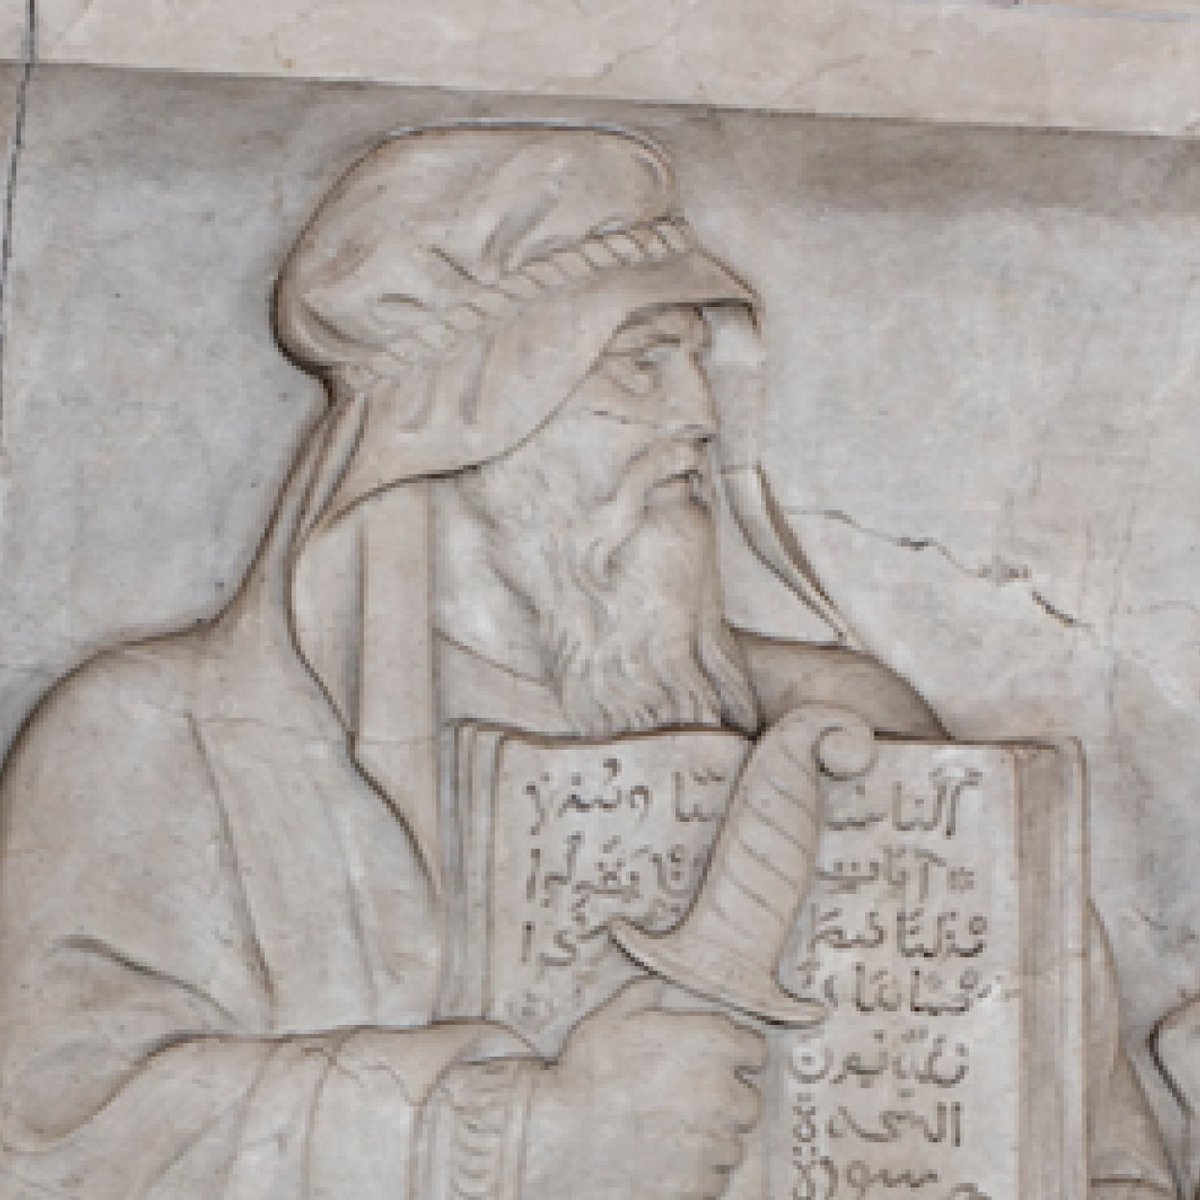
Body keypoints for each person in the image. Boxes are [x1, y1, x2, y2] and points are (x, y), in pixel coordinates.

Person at [0, 124, 1175, 1199]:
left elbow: (1093, 1146)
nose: (700, 417)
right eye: (640, 364)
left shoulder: (856, 724)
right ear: (473, 414)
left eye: (698, 362)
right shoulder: (163, 736)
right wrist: (513, 1137)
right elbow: (55, 1132)